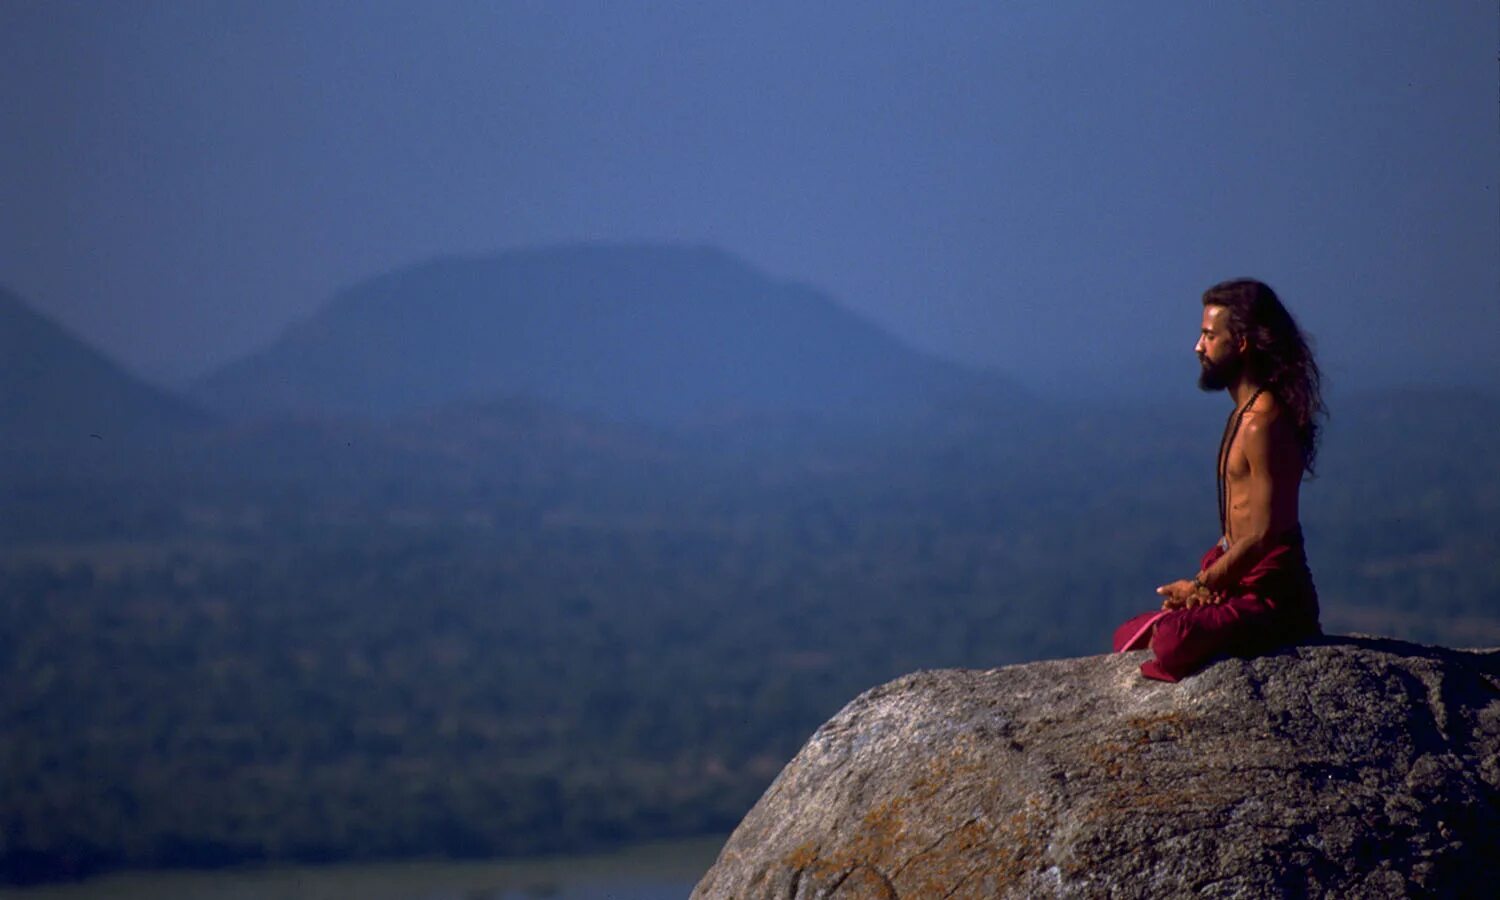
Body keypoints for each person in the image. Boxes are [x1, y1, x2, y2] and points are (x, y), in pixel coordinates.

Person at [1113, 278, 1326, 681]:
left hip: (1272, 598)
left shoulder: (1263, 422)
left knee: (1172, 642)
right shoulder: (1244, 412)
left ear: (1242, 342)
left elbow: (1264, 534)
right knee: (1131, 633)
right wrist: (1206, 585)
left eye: (1209, 336)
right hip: (1236, 580)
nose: (1198, 347)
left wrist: (1199, 584)